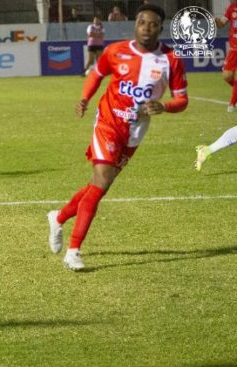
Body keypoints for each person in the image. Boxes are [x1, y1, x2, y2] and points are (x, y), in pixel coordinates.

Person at [47, 4, 188, 271]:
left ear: (161, 27)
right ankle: (74, 250)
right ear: (135, 24)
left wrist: (165, 106)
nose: (146, 28)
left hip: (134, 132)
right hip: (108, 122)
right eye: (142, 22)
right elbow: (97, 74)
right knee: (101, 181)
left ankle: (59, 216)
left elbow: (182, 99)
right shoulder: (116, 51)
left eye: (153, 24)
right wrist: (84, 99)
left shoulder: (171, 59)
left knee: (99, 186)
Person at [216, 0, 237, 112]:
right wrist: (215, 20)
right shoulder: (232, 7)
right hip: (234, 49)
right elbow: (221, 24)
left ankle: (232, 104)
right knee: (227, 76)